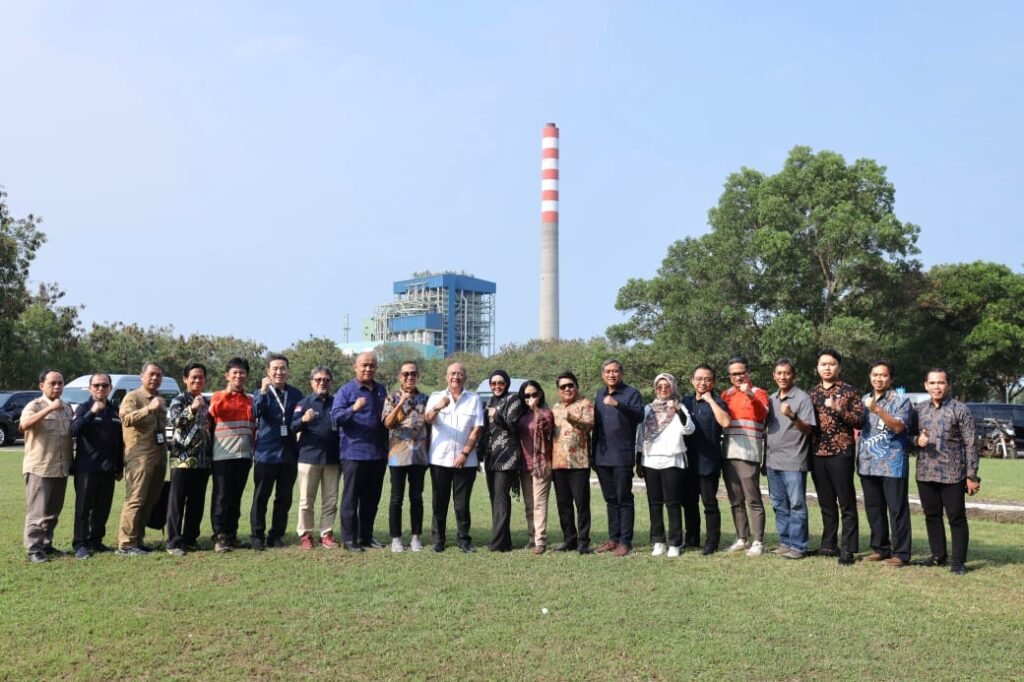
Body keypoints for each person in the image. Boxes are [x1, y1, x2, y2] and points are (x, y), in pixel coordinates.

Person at [913, 368, 979, 575]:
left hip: (953, 474)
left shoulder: (960, 409)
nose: (936, 387)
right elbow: (906, 439)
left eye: (940, 383)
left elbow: (971, 444)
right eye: (932, 383)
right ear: (925, 385)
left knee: (956, 518)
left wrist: (972, 475)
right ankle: (937, 556)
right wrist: (917, 440)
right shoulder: (919, 410)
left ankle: (958, 562)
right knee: (931, 515)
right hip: (925, 473)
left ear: (947, 385)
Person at [809, 349, 864, 565]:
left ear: (839, 367)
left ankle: (848, 548)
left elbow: (859, 421)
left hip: (841, 453)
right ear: (818, 368)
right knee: (826, 502)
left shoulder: (849, 392)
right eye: (823, 364)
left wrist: (840, 410)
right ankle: (828, 544)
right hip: (817, 453)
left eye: (832, 364)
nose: (828, 367)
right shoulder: (811, 393)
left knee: (846, 501)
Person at [857, 360, 913, 568]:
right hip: (867, 462)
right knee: (874, 507)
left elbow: (899, 427)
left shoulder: (901, 400)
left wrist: (877, 410)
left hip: (892, 463)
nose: (878, 379)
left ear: (891, 378)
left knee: (897, 509)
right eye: (875, 375)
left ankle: (901, 553)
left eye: (883, 375)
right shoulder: (864, 399)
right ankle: (880, 548)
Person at [424, 362, 484, 553]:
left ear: (465, 377)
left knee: (462, 503)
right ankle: (438, 540)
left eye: (459, 373)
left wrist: (465, 453)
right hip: (440, 459)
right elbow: (428, 419)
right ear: (446, 377)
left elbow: (477, 429)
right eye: (452, 373)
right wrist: (438, 407)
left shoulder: (474, 399)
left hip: (466, 461)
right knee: (439, 502)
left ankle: (464, 540)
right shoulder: (435, 397)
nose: (455, 377)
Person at [332, 352, 388, 551]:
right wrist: (353, 409)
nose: (368, 369)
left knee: (371, 499)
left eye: (372, 365)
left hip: (378, 454)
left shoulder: (381, 390)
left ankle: (366, 536)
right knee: (351, 499)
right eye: (364, 365)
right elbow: (336, 418)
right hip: (353, 453)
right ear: (355, 367)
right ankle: (349, 539)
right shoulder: (346, 391)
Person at [636, 373, 695, 557]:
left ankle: (675, 543)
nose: (663, 390)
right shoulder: (647, 409)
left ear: (673, 387)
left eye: (667, 386)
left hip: (672, 460)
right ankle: (658, 541)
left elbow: (689, 429)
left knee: (673, 503)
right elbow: (640, 435)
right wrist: (638, 460)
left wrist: (677, 410)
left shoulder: (680, 407)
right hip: (651, 459)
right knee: (654, 503)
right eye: (659, 386)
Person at [20, 369, 74, 563]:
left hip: (60, 467)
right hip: (39, 468)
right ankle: (33, 549)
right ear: (42, 386)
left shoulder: (67, 408)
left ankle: (46, 544)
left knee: (53, 511)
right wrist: (49, 409)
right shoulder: (34, 406)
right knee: (37, 512)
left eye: (60, 383)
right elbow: (24, 424)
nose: (57, 386)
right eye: (53, 383)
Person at [250, 354, 304, 550]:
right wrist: (263, 392)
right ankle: (257, 535)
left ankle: (276, 534)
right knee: (261, 496)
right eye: (275, 368)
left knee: (284, 497)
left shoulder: (297, 395)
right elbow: (256, 413)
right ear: (268, 371)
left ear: (288, 371)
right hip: (266, 453)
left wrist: (303, 421)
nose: (279, 372)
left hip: (289, 454)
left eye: (283, 368)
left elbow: (297, 421)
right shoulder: (260, 393)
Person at [764, 359, 816, 560]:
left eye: (787, 373)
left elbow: (808, 429)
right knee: (778, 504)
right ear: (774, 375)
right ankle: (785, 543)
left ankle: (799, 546)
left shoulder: (802, 398)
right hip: (772, 461)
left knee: (796, 504)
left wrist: (793, 416)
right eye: (779, 373)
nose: (783, 377)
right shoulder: (771, 399)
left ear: (794, 375)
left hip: (794, 461)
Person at [592, 359, 644, 557]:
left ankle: (625, 541)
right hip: (602, 456)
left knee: (624, 499)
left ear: (621, 373)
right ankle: (613, 539)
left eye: (615, 371)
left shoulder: (631, 394)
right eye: (607, 371)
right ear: (602, 374)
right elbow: (596, 427)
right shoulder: (599, 394)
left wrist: (618, 405)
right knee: (610, 499)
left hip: (622, 456)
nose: (611, 374)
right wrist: (592, 455)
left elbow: (639, 416)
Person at [116, 362, 169, 556]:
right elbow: (125, 419)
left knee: (150, 500)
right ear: (142, 376)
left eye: (158, 375)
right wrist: (148, 409)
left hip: (159, 456)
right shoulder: (133, 397)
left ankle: (138, 539)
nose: (155, 378)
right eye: (151, 374)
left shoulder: (159, 399)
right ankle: (126, 543)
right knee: (135, 499)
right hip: (139, 457)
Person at [70, 372, 124, 559]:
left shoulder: (115, 410)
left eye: (104, 385)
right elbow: (74, 430)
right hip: (87, 468)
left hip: (108, 468)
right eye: (97, 385)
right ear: (90, 388)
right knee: (83, 508)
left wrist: (119, 466)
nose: (101, 389)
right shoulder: (83, 408)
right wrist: (91, 412)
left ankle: (96, 540)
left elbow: (120, 441)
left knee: (103, 508)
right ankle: (80, 544)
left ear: (110, 388)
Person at [721, 355, 769, 557]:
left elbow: (763, 414)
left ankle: (758, 541)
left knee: (753, 498)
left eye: (741, 373)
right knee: (735, 498)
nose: (738, 377)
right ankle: (742, 537)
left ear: (748, 373)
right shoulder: (726, 394)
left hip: (749, 452)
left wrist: (750, 395)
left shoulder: (759, 393)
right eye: (734, 374)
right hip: (728, 451)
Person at [681, 365, 731, 555]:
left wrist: (710, 400)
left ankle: (712, 542)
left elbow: (726, 422)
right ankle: (691, 538)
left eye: (707, 379)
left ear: (713, 382)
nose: (703, 382)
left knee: (709, 503)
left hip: (708, 461)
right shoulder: (685, 401)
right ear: (692, 381)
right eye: (699, 378)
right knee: (689, 503)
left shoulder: (718, 401)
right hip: (687, 461)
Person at [208, 357, 256, 553]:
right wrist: (228, 393)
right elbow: (215, 410)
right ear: (227, 376)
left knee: (235, 497)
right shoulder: (218, 396)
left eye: (242, 372)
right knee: (221, 497)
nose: (238, 376)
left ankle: (231, 535)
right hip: (223, 455)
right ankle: (219, 537)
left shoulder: (251, 399)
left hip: (244, 455)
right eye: (234, 373)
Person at [382, 361, 430, 553]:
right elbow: (387, 423)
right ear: (399, 377)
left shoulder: (426, 399)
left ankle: (416, 537)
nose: (409, 377)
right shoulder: (391, 398)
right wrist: (401, 403)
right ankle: (396, 538)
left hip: (419, 454)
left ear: (418, 376)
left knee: (417, 497)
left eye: (413, 373)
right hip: (397, 455)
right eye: (405, 374)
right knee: (396, 498)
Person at [166, 363, 213, 556]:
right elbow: (175, 423)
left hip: (202, 460)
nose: (197, 380)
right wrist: (191, 409)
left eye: (201, 377)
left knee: (197, 501)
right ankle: (174, 542)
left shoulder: (206, 402)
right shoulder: (179, 400)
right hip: (182, 459)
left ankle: (190, 538)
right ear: (185, 379)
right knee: (177, 500)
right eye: (193, 377)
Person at [292, 366, 341, 550]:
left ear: (330, 382)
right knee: (306, 500)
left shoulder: (337, 403)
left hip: (332, 458)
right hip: (308, 457)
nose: (322, 383)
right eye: (318, 379)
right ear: (311, 382)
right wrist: (303, 420)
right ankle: (305, 534)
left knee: (331, 500)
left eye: (326, 380)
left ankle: (326, 534)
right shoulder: (303, 403)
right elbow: (292, 428)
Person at [550, 371, 594, 554]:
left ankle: (583, 541)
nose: (567, 389)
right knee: (563, 504)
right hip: (558, 464)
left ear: (576, 386)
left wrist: (572, 417)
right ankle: (569, 539)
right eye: (563, 386)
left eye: (570, 385)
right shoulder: (554, 408)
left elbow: (589, 425)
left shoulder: (586, 404)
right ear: (558, 390)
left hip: (579, 463)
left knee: (581, 504)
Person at [480, 369, 523, 552]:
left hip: (506, 457)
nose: (497, 386)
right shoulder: (490, 401)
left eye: (501, 383)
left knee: (501, 499)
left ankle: (497, 543)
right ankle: (504, 540)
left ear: (507, 384)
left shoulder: (513, 400)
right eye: (493, 383)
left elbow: (514, 425)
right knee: (495, 499)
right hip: (491, 458)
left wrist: (496, 416)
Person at [518, 380, 554, 555]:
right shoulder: (522, 416)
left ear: (540, 394)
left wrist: (535, 409)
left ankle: (541, 541)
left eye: (534, 394)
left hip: (542, 464)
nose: (530, 398)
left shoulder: (546, 413)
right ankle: (532, 538)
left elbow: (545, 428)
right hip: (525, 464)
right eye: (526, 395)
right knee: (529, 504)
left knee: (539, 504)